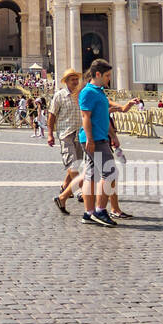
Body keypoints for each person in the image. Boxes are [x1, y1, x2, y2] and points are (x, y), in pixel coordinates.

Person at [77, 59, 136, 226]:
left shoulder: (99, 91)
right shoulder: (88, 92)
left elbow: (105, 112)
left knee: (91, 176)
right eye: (108, 75)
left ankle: (88, 214)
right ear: (98, 74)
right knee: (110, 173)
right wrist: (90, 138)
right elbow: (85, 117)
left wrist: (123, 108)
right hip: (94, 139)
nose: (109, 78)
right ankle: (100, 210)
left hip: (99, 137)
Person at [48, 68, 85, 215]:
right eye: (72, 79)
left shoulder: (81, 95)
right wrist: (50, 134)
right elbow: (52, 116)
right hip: (66, 134)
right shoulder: (59, 96)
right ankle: (81, 190)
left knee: (77, 164)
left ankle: (65, 187)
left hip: (80, 134)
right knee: (72, 164)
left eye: (76, 79)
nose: (75, 81)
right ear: (66, 82)